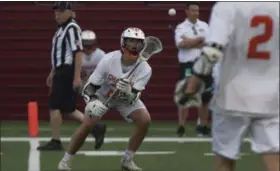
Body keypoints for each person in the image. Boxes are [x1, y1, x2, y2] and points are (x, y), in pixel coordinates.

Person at [180, 2, 279, 171]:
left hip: (232, 94)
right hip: (271, 96)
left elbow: (212, 51)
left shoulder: (227, 6)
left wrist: (192, 84)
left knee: (225, 160)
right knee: (274, 159)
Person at [58, 27, 152, 171]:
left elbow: (135, 96)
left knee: (145, 120)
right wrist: (92, 101)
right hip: (102, 94)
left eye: (138, 42)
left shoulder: (145, 68)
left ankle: (127, 159)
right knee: (88, 124)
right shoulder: (108, 59)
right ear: (123, 43)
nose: (134, 45)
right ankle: (66, 160)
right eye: (131, 41)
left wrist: (128, 91)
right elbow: (90, 86)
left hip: (123, 98)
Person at [37, 1, 106, 151]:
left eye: (61, 11)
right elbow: (59, 54)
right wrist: (53, 71)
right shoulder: (61, 29)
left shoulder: (72, 28)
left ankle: (56, 141)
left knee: (53, 106)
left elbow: (78, 52)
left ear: (69, 12)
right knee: (68, 109)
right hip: (61, 71)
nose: (57, 14)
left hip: (66, 71)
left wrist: (76, 77)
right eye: (56, 11)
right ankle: (96, 127)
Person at [174, 2, 211, 137]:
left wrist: (191, 41)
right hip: (188, 65)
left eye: (197, 10)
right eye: (193, 10)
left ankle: (202, 125)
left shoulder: (204, 26)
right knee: (186, 93)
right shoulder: (181, 28)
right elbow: (181, 45)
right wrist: (198, 40)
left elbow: (208, 43)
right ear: (187, 11)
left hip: (203, 64)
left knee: (205, 96)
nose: (196, 13)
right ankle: (181, 126)